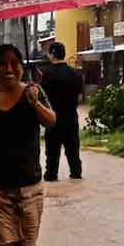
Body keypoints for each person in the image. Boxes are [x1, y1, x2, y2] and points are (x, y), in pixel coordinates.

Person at [0, 44, 56, 246]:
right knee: (3, 245)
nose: (9, 69)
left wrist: (34, 103)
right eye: (2, 64)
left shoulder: (33, 92)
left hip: (30, 186)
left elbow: (51, 121)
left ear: (22, 67)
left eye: (15, 63)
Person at [40, 42, 83, 181]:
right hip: (71, 117)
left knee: (52, 150)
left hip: (52, 118)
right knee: (73, 148)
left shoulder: (47, 73)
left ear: (52, 54)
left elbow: (42, 96)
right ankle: (76, 172)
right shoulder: (75, 74)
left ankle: (51, 174)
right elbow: (80, 97)